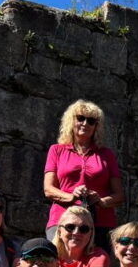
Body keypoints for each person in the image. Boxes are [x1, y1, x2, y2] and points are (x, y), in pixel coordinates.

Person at [44, 99, 124, 254]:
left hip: (100, 221)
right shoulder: (57, 150)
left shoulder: (107, 155)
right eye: (80, 118)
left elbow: (119, 195)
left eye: (91, 121)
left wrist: (100, 201)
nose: (85, 123)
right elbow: (48, 189)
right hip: (62, 219)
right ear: (71, 121)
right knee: (58, 266)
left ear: (96, 127)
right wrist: (71, 196)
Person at [0, 206, 108, 267]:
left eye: (84, 229)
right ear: (60, 231)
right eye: (70, 227)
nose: (76, 232)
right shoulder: (46, 253)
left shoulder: (98, 256)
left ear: (91, 233)